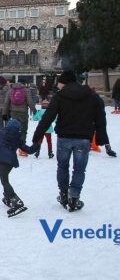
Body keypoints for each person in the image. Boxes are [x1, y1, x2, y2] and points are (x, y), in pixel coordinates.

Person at [32, 70, 106, 212]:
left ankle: (64, 193)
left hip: (64, 137)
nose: (58, 85)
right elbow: (100, 115)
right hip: (83, 138)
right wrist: (102, 136)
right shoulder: (91, 95)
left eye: (59, 82)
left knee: (62, 166)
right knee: (79, 169)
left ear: (64, 82)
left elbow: (48, 117)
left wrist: (37, 135)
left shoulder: (60, 96)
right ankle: (74, 197)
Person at [0, 119, 37, 217]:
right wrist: (36, 145)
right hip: (10, 162)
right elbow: (29, 150)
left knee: (4, 181)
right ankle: (8, 198)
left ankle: (16, 201)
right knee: (5, 179)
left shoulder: (2, 133)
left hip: (3, 161)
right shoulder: (18, 139)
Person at [2, 80, 36, 155]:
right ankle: (22, 150)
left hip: (13, 113)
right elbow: (30, 102)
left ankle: (11, 148)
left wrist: (4, 114)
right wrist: (34, 110)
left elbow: (6, 103)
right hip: (23, 114)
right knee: (23, 131)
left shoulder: (11, 90)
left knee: (14, 131)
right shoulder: (26, 90)